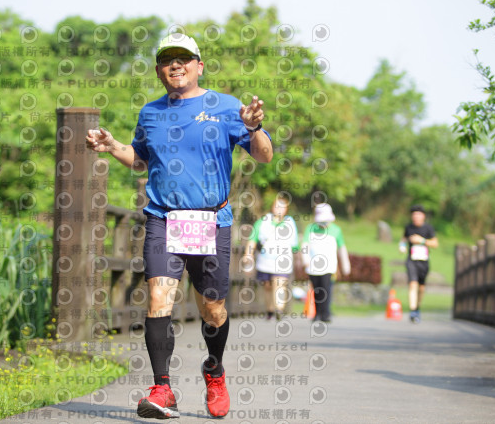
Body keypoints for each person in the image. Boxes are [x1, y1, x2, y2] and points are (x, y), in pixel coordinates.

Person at [85, 33, 273, 419]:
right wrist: (112, 146)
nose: (176, 64)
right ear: (158, 69)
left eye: (184, 58)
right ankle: (162, 389)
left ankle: (214, 372)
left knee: (213, 309)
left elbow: (265, 156)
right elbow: (139, 158)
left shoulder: (225, 106)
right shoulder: (150, 112)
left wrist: (254, 128)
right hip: (163, 218)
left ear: (199, 65)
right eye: (167, 58)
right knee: (158, 300)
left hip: (211, 220)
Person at [243, 197, 299, 320]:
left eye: (282, 206)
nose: (279, 209)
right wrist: (248, 255)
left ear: (286, 209)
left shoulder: (290, 223)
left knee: (279, 284)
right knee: (267, 286)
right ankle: (270, 310)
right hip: (265, 260)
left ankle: (279, 309)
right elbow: (253, 239)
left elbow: (295, 244)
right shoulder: (263, 222)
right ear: (272, 207)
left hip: (283, 260)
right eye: (277, 206)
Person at [300, 203, 350, 322]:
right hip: (312, 266)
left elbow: (342, 248)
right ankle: (317, 313)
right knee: (316, 289)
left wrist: (346, 265)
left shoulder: (336, 230)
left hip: (329, 266)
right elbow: (305, 245)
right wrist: (305, 259)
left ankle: (325, 313)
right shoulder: (310, 228)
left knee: (326, 288)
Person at [399, 205, 438, 323]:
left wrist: (422, 240)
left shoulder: (428, 228)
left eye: (418, 214)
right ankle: (412, 311)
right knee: (412, 284)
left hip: (424, 262)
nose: (415, 217)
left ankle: (417, 307)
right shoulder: (408, 228)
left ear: (423, 216)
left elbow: (435, 244)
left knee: (421, 287)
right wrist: (402, 246)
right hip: (411, 260)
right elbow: (403, 240)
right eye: (414, 214)